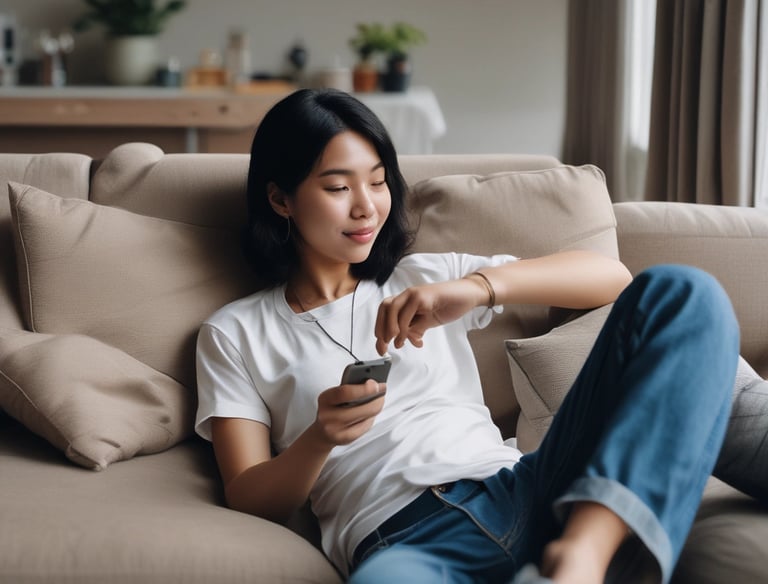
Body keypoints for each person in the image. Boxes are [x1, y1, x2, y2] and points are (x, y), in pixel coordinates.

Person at [194, 89, 748, 583]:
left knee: (685, 292)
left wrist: (479, 287)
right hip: (405, 540)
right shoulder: (234, 331)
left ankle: (582, 556)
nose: (366, 206)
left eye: (379, 181)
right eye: (338, 187)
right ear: (280, 199)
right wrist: (320, 436)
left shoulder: (427, 278)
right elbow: (248, 493)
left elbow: (613, 279)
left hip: (525, 490)